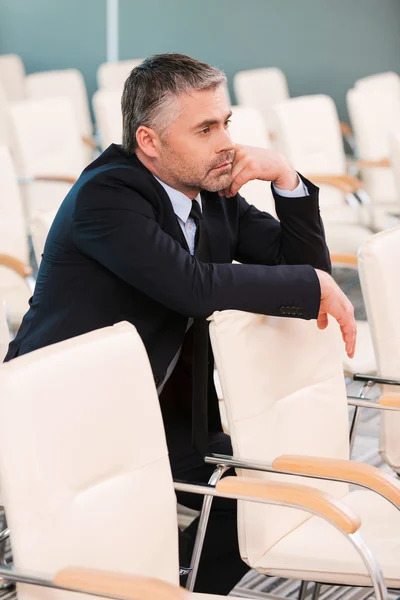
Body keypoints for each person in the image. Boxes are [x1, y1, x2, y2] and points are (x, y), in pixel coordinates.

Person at [5, 54, 356, 595]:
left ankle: (184, 587)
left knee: (258, 506)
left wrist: (285, 177)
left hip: (163, 410)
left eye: (226, 123)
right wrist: (311, 288)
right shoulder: (108, 195)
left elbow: (307, 271)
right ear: (149, 141)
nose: (226, 143)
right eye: (205, 128)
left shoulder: (213, 195)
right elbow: (190, 285)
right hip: (70, 414)